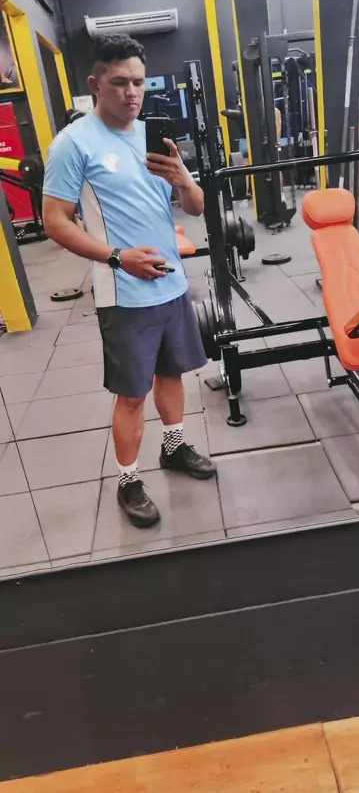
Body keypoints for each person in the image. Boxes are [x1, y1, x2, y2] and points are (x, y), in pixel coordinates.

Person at [42, 34, 215, 530]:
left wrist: (184, 179)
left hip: (172, 285)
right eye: (120, 83)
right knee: (133, 395)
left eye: (139, 82)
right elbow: (55, 221)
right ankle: (128, 480)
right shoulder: (74, 143)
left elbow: (196, 207)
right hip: (125, 293)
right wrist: (119, 258)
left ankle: (174, 447)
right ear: (96, 84)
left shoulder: (154, 137)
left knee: (172, 375)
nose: (132, 92)